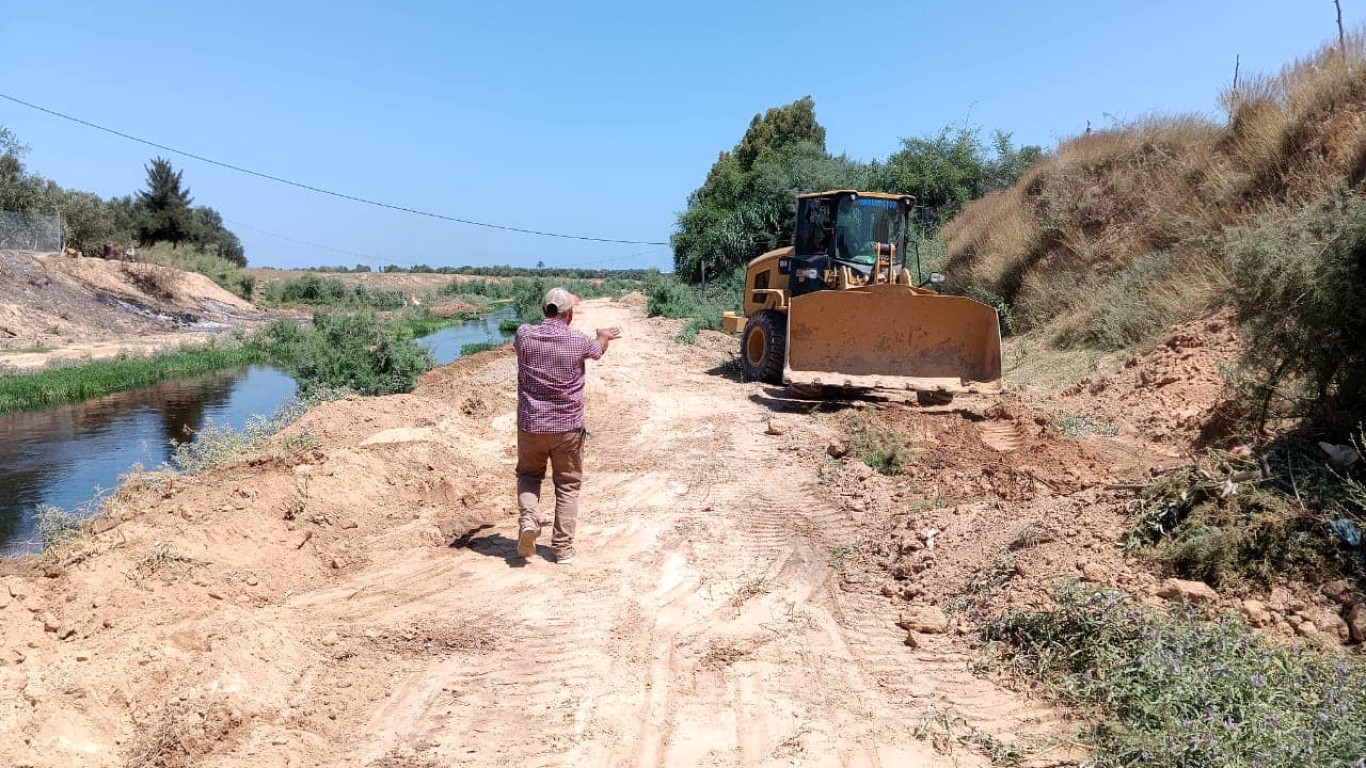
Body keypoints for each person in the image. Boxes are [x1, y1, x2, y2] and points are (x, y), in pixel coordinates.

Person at [512, 287, 621, 564]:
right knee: (568, 486)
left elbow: (520, 347)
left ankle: (529, 521)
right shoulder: (578, 340)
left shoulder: (524, 335)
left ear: (544, 310)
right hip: (567, 427)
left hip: (531, 425)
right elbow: (598, 350)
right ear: (569, 314)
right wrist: (603, 335)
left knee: (529, 476)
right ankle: (562, 549)